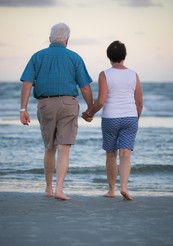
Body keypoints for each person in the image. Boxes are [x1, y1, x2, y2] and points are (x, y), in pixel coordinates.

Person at [20, 23, 93, 200]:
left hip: (45, 104)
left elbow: (27, 84)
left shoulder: (37, 56)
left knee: (49, 147)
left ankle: (48, 188)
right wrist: (90, 109)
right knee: (64, 148)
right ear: (67, 40)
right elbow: (85, 87)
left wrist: (23, 109)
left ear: (50, 38)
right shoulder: (74, 57)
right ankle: (59, 189)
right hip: (68, 104)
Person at [82, 40, 143, 200]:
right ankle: (124, 187)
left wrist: (90, 112)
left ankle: (111, 190)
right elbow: (139, 103)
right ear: (125, 55)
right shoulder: (133, 75)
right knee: (126, 154)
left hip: (111, 118)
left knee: (111, 154)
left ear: (108, 56)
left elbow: (101, 101)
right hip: (130, 117)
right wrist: (135, 119)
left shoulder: (105, 74)